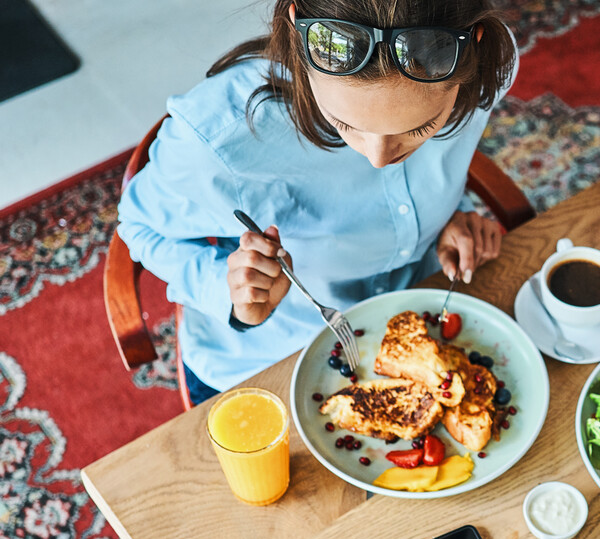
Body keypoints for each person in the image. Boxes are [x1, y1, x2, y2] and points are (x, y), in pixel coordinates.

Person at [118, 0, 517, 404]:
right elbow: (138, 226)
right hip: (271, 361)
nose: (378, 158)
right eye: (345, 124)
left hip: (421, 310)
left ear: (474, 46)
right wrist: (231, 292)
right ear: (298, 33)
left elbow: (442, 167)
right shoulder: (220, 136)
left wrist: (448, 216)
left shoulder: (486, 67)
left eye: (421, 128)